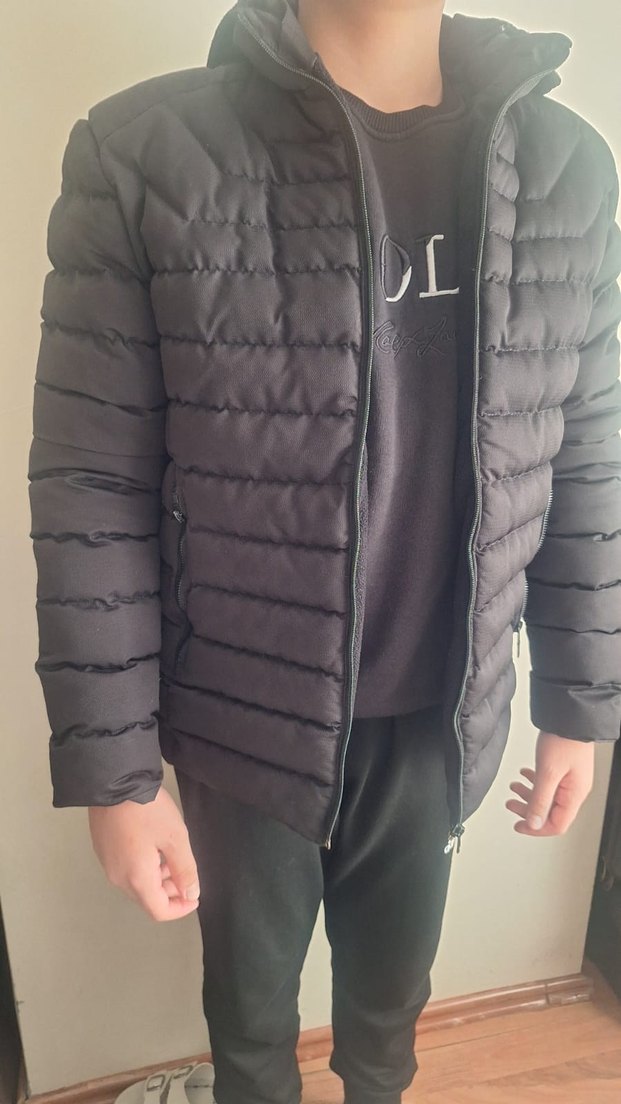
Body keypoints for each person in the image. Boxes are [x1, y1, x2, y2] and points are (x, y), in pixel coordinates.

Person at [27, 1, 620, 1102]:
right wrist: (115, 771)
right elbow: (93, 486)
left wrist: (581, 701)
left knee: (388, 1019)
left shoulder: (567, 170)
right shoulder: (144, 153)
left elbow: (583, 451)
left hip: (442, 716)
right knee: (249, 1025)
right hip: (239, 720)